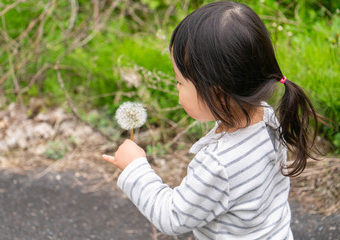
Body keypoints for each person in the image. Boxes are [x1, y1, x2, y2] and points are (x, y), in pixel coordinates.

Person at [102, 1, 321, 239]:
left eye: (180, 82)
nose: (177, 87)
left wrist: (135, 168)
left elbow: (173, 217)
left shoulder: (218, 165)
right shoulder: (267, 116)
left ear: (216, 93)